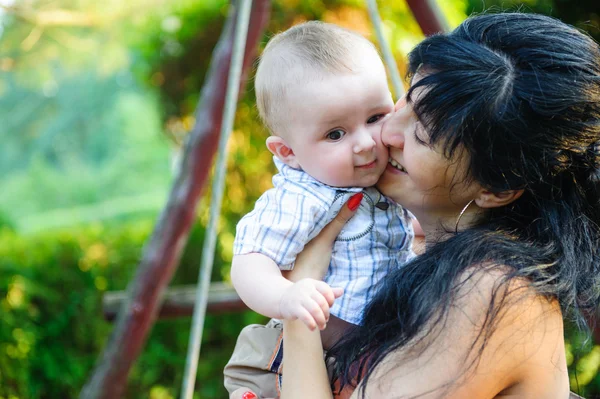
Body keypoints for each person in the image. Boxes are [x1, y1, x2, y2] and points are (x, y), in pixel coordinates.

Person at [231, 12, 600, 399]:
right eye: (404, 100)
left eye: (420, 135)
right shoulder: (418, 250)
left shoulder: (491, 292)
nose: (385, 133)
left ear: (498, 187)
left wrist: (302, 294)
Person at [224, 21, 418, 398]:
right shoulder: (303, 197)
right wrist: (286, 298)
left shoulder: (383, 175)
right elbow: (249, 261)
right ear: (288, 153)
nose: (364, 144)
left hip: (371, 346)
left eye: (375, 118)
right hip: (308, 354)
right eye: (335, 134)